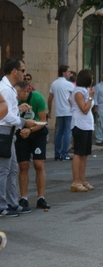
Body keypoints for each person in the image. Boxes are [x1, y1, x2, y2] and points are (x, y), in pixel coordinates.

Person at [0, 58, 36, 217]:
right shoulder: (6, 89)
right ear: (14, 71)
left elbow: (9, 111)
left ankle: (12, 202)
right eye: (22, 70)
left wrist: (18, 111)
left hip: (9, 132)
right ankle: (3, 205)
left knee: (12, 168)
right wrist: (24, 122)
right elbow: (5, 114)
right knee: (4, 170)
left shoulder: (9, 88)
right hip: (4, 131)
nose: (24, 73)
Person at [15, 81, 50, 210]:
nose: (16, 96)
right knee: (23, 165)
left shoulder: (37, 98)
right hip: (21, 132)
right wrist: (23, 131)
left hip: (37, 132)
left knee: (38, 164)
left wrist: (29, 131)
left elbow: (43, 121)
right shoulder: (14, 101)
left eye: (18, 93)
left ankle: (41, 197)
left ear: (25, 91)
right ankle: (23, 198)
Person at [70, 69, 95, 192]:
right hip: (79, 124)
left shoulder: (85, 90)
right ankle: (75, 181)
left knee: (85, 154)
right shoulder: (79, 91)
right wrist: (90, 98)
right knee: (78, 153)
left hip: (87, 124)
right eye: (91, 77)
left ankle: (82, 179)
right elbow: (84, 109)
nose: (93, 80)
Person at [47, 65, 74, 161]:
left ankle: (57, 153)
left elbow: (50, 99)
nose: (69, 73)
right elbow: (73, 98)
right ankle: (65, 153)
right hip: (68, 111)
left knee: (59, 132)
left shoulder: (54, 83)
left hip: (59, 111)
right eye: (68, 71)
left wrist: (49, 111)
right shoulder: (69, 84)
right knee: (67, 132)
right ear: (63, 73)